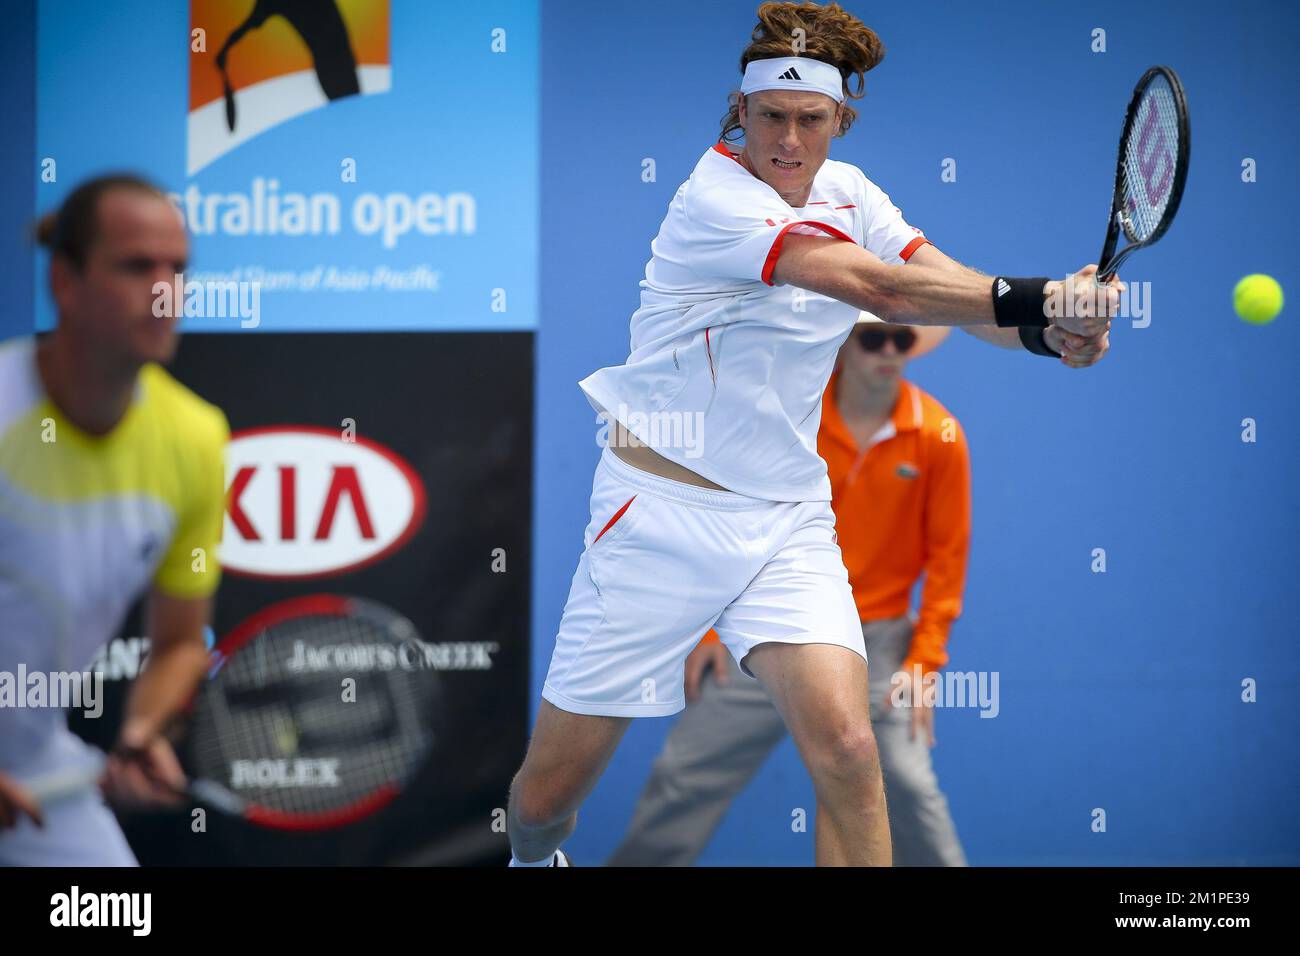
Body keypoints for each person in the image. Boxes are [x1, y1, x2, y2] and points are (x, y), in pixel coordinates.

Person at [508, 1, 1116, 867]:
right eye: (770, 117)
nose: (788, 140)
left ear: (841, 120)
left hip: (786, 521)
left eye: (811, 120)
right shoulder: (713, 200)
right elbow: (885, 294)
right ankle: (531, 859)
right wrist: (1041, 297)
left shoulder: (853, 193)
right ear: (739, 112)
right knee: (546, 799)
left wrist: (1044, 333)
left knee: (850, 749)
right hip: (656, 516)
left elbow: (944, 286)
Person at [608, 318, 970, 866]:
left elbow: (947, 560)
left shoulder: (940, 436)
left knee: (911, 791)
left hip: (877, 648)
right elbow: (729, 521)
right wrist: (710, 626)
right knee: (683, 777)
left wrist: (923, 661)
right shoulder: (790, 419)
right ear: (845, 340)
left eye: (903, 339)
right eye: (874, 338)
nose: (890, 351)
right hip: (768, 629)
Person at [0, 174, 229, 865]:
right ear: (65, 281)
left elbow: (182, 643)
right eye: (137, 266)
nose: (166, 291)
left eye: (178, 269)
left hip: (40, 768)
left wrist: (139, 735)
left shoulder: (196, 437)